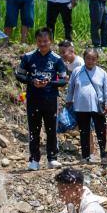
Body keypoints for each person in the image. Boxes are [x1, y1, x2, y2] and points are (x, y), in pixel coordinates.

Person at [16, 27, 68, 171]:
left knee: (51, 129)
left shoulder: (57, 59)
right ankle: (34, 160)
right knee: (34, 130)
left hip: (51, 99)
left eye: (45, 41)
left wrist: (49, 83)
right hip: (33, 98)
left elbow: (64, 80)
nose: (42, 44)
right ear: (36, 41)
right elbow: (19, 75)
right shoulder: (28, 57)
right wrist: (32, 81)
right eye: (40, 41)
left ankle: (52, 158)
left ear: (50, 41)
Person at [66, 48, 107, 165]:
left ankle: (104, 156)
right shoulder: (77, 71)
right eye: (88, 58)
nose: (90, 61)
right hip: (81, 106)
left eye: (93, 59)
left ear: (97, 60)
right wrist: (68, 100)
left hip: (98, 106)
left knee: (101, 132)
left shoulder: (102, 73)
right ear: (84, 58)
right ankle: (86, 156)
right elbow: (71, 87)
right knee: (84, 132)